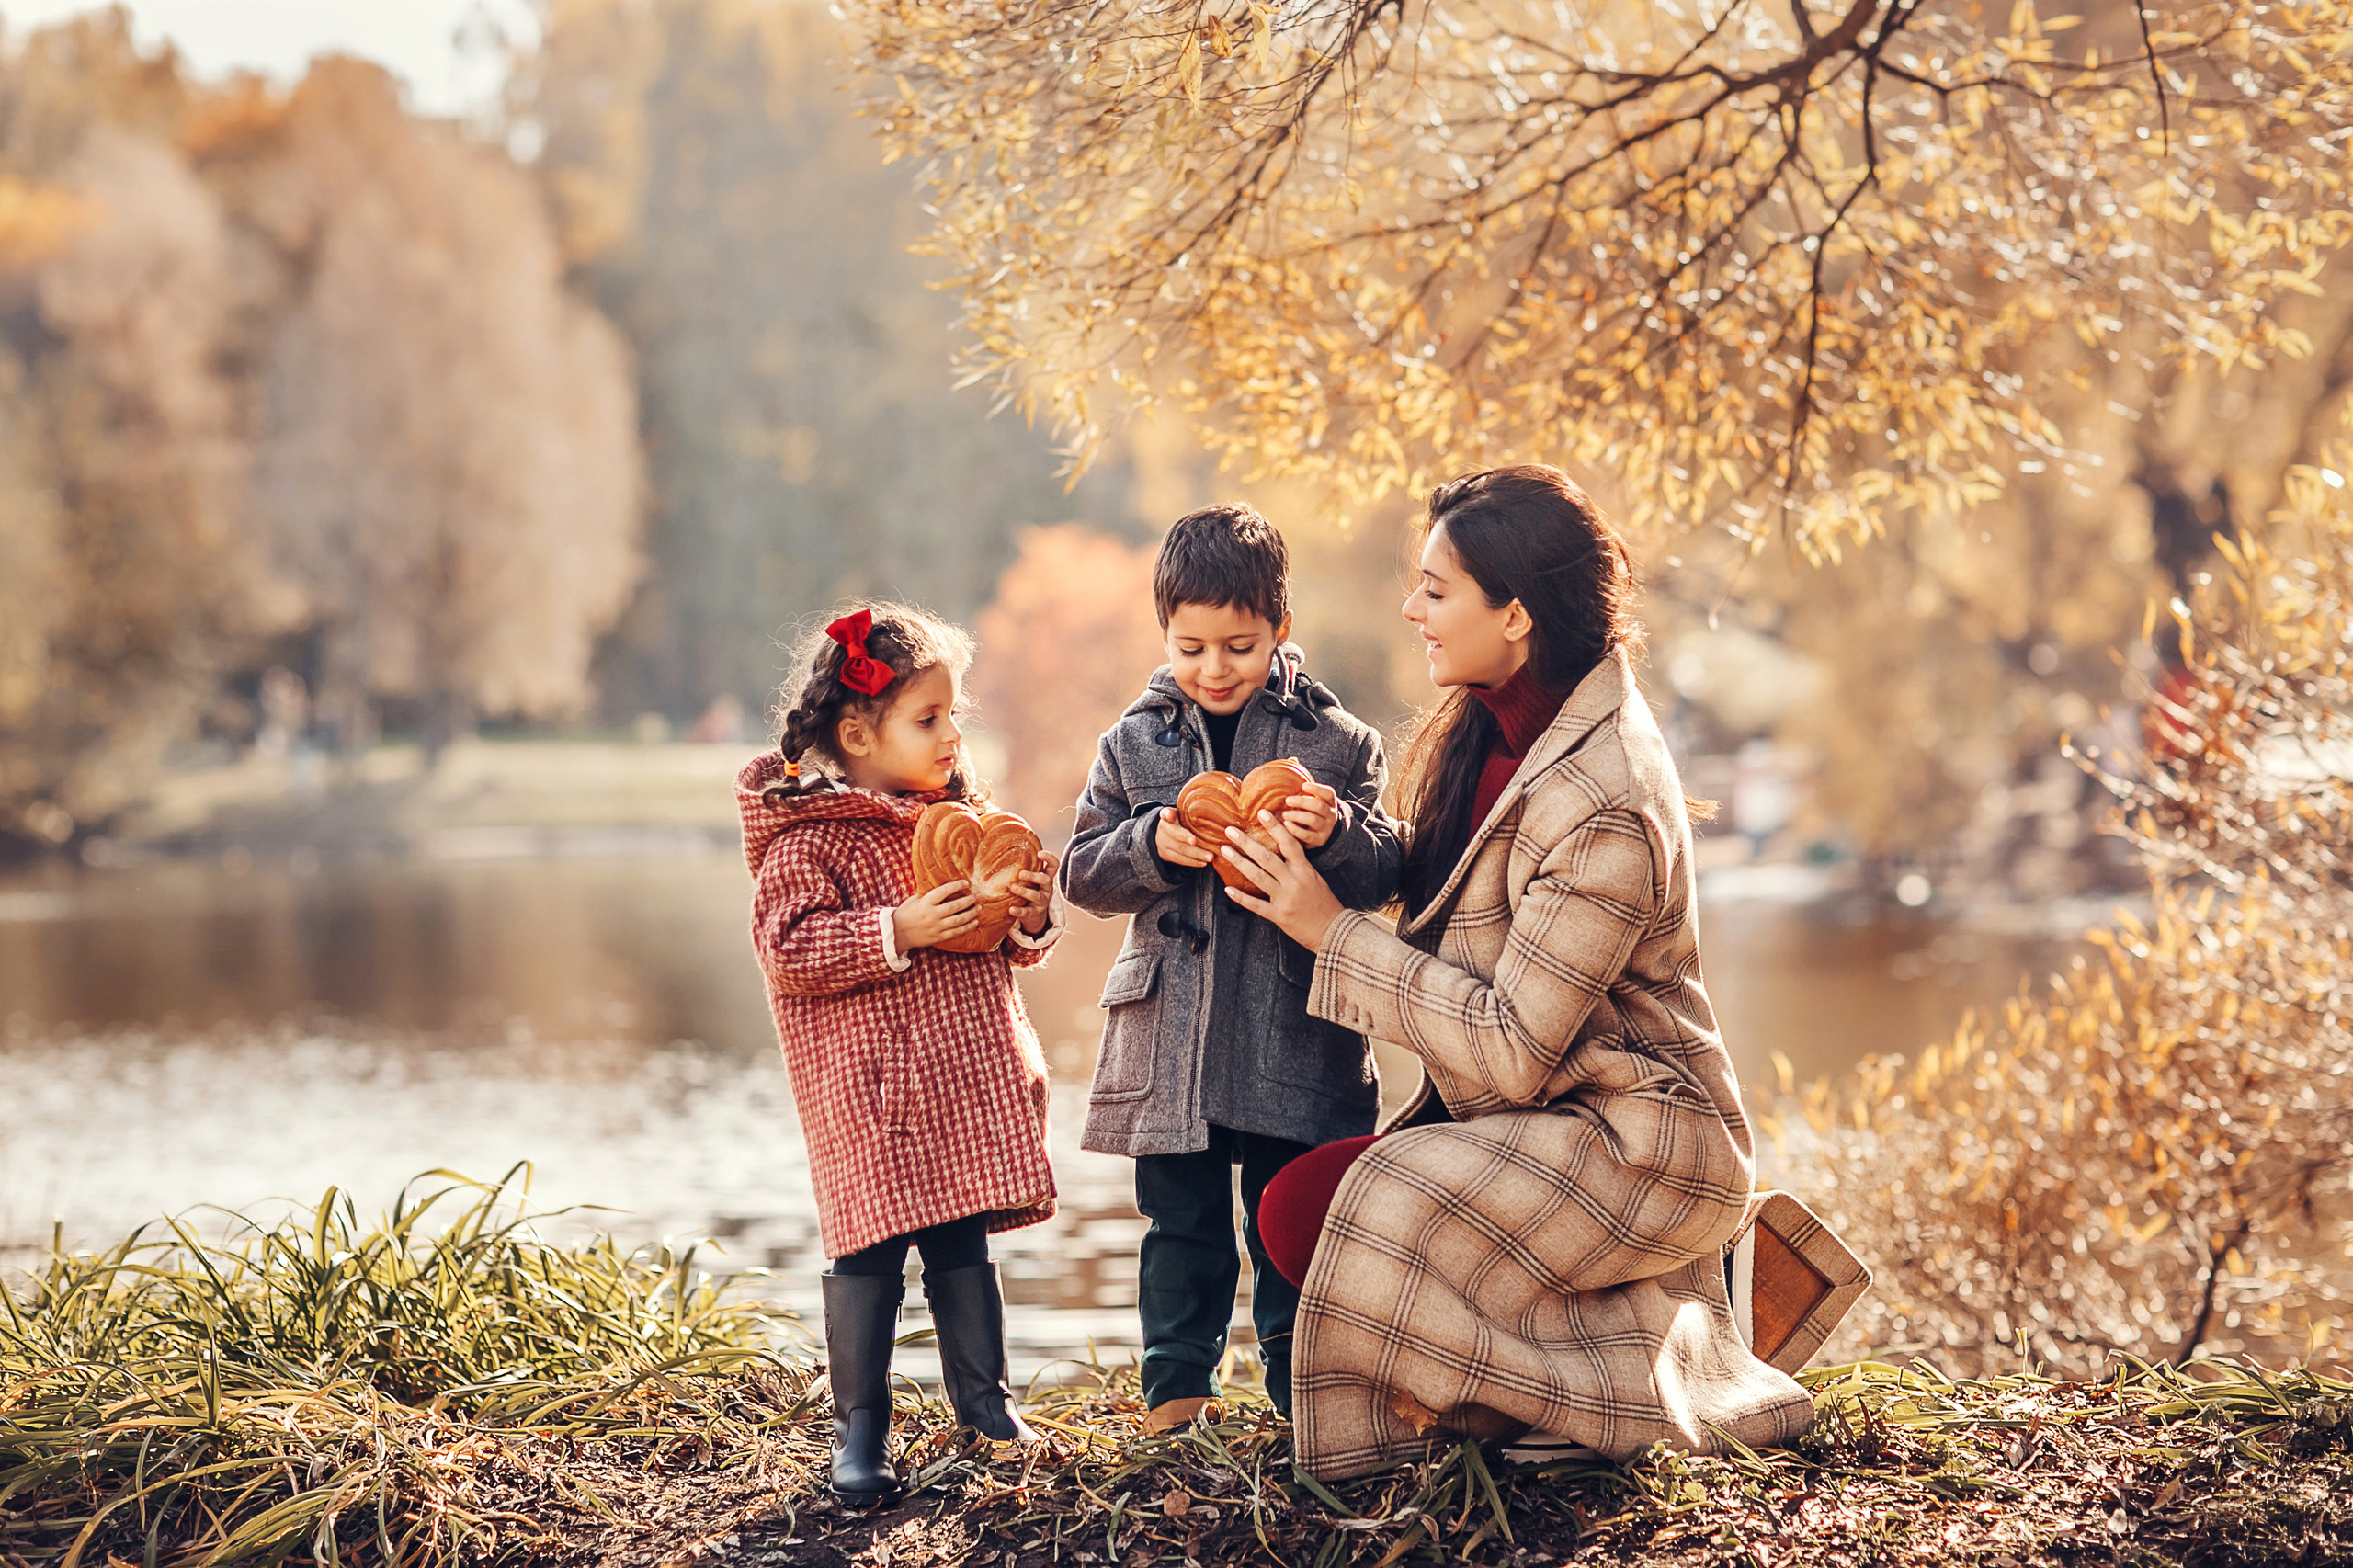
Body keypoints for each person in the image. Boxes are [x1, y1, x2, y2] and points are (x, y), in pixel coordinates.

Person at [1221, 466, 1824, 1480]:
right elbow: (1476, 879)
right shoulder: (1496, 724)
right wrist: (1339, 838)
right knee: (1303, 1208)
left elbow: (1509, 1045)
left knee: (1353, 1208)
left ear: (1515, 614)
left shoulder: (1607, 797)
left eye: (1435, 588)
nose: (1409, 606)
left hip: (1638, 1141)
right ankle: (1646, 1328)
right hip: (1540, 1115)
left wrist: (1332, 932)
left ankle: (1644, 1382)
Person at [1060, 504, 1404, 1431]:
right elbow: (1080, 873)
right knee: (1180, 1229)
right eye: (1192, 646)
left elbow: (1386, 874)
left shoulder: (1339, 744)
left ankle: (1305, 1403)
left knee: (1292, 1227)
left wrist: (1333, 832)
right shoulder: (1131, 742)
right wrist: (1152, 841)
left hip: (1296, 1030)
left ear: (1280, 630)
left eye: (1239, 646)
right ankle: (1176, 1399)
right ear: (1165, 633)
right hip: (1168, 1036)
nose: (1214, 668)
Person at [736, 602, 1062, 1504]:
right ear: (857, 732)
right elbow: (789, 948)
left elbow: (1011, 941)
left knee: (961, 1240)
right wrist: (897, 927)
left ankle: (985, 1404)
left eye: (955, 714)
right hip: (871, 1097)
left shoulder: (967, 821)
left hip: (960, 1083)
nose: (953, 734)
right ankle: (860, 1431)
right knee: (870, 1251)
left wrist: (1028, 911)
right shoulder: (809, 840)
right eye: (928, 719)